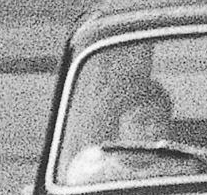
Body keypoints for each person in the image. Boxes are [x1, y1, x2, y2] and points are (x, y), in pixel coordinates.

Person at [63, 77, 195, 184]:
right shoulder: (90, 168)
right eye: (141, 122)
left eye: (161, 121)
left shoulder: (181, 168)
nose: (154, 131)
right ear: (116, 125)